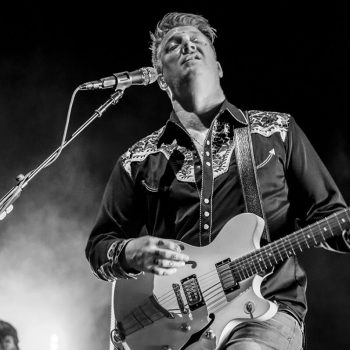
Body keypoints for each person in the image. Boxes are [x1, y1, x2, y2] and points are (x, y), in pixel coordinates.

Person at [85, 12, 350, 349]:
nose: (188, 46)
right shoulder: (138, 159)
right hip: (171, 326)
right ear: (161, 79)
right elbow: (99, 246)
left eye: (199, 42)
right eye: (173, 45)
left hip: (265, 314)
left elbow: (332, 218)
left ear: (219, 66)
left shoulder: (276, 132)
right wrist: (128, 251)